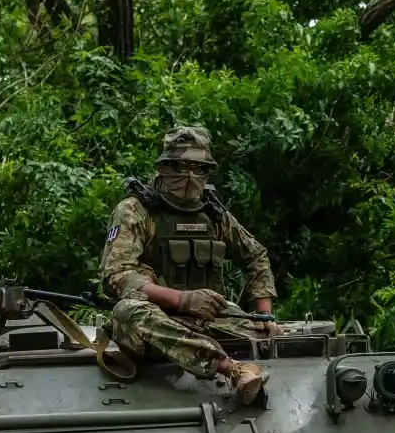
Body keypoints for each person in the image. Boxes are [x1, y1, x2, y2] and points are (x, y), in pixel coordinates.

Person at [99, 126, 275, 404]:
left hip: (209, 318)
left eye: (198, 168)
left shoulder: (214, 215)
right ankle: (233, 369)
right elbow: (116, 275)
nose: (189, 177)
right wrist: (182, 300)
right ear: (163, 167)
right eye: (180, 167)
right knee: (126, 311)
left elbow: (256, 255)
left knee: (277, 335)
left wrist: (265, 315)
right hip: (154, 319)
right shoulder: (136, 211)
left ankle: (258, 347)